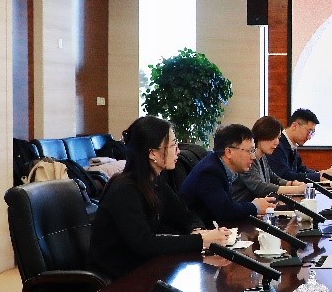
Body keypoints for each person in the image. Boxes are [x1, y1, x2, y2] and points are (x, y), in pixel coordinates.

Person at [87, 116, 229, 280]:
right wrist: (200, 240)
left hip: (144, 270)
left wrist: (196, 229)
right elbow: (144, 244)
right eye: (173, 145)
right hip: (115, 280)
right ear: (153, 153)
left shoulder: (154, 181)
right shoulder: (124, 189)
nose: (178, 151)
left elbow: (185, 215)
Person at [180, 123, 275, 226]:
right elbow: (224, 211)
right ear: (229, 152)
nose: (253, 157)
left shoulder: (219, 165)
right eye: (250, 151)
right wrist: (255, 207)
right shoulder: (210, 171)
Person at [234, 115, 308, 203]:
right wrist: (296, 189)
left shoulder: (263, 157)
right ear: (261, 135)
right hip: (243, 208)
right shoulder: (248, 159)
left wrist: (291, 183)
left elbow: (274, 178)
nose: (277, 142)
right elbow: (260, 187)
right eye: (273, 137)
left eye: (278, 138)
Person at [271, 108, 323, 183]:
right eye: (309, 132)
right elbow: (284, 176)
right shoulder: (277, 145)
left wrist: (320, 174)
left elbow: (301, 169)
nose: (309, 137)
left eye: (312, 133)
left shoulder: (291, 145)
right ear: (295, 126)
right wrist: (318, 176)